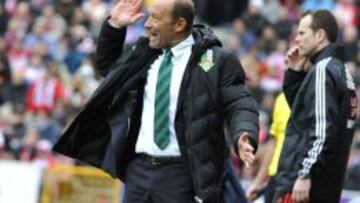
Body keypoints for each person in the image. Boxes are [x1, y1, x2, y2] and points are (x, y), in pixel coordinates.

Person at [53, 0, 259, 202]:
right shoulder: (143, 53)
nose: (148, 24)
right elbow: (108, 68)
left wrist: (244, 133)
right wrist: (114, 25)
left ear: (179, 24)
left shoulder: (215, 60)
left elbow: (239, 101)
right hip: (138, 171)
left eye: (156, 18)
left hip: (182, 175)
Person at [274, 10, 357, 203]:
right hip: (328, 186)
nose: (296, 39)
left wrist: (305, 174)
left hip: (303, 187)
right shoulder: (342, 71)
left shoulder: (323, 70)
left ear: (320, 35)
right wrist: (294, 75)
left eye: (302, 33)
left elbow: (322, 130)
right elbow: (305, 117)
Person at [246, 92, 290, 203]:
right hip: (274, 177)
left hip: (295, 178)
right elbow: (273, 142)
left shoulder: (313, 95)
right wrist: (258, 182)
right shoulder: (281, 99)